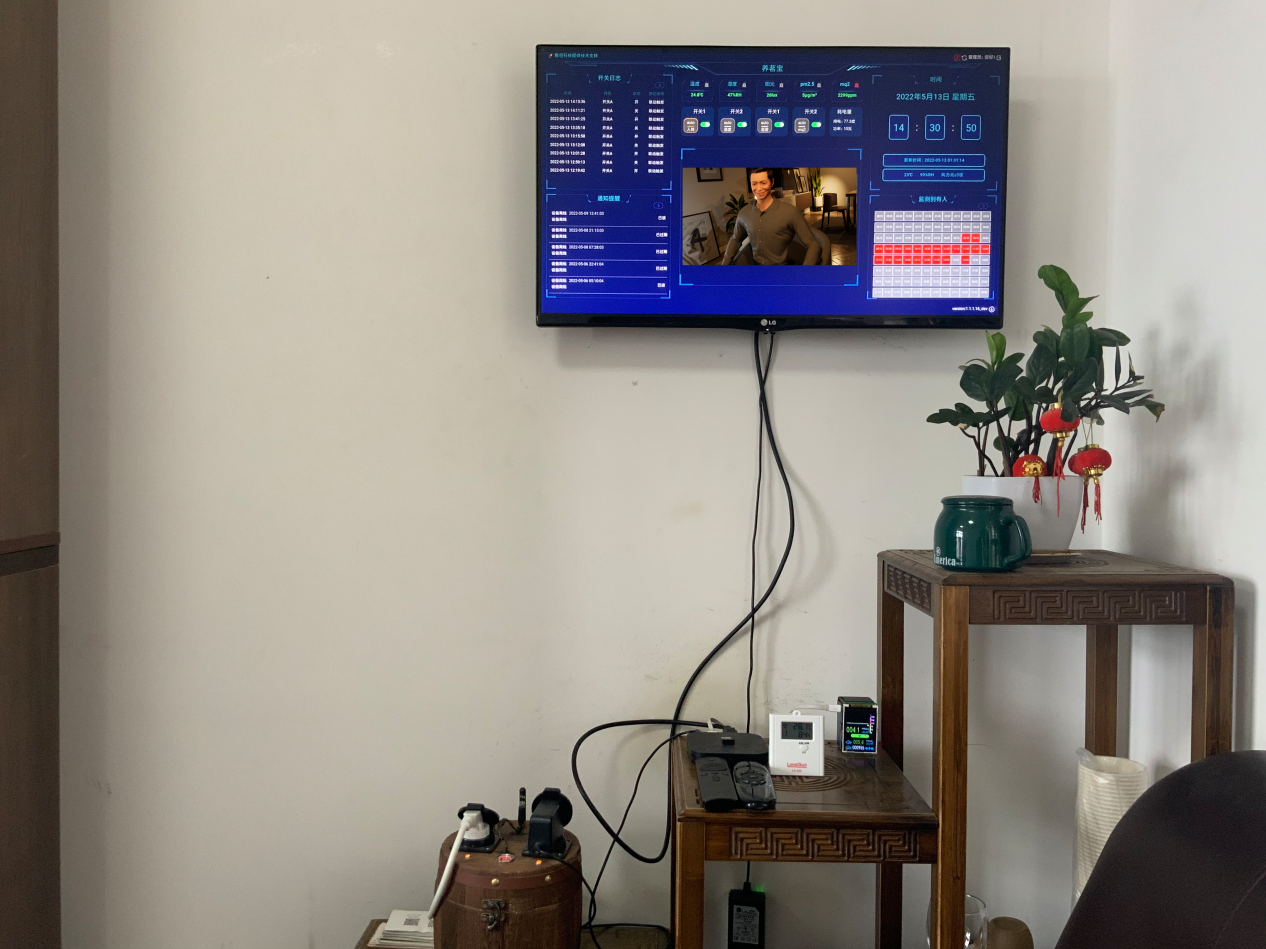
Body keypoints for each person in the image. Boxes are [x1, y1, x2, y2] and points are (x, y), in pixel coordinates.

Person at [721, 168, 820, 265]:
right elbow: (736, 239)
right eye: (754, 184)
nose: (758, 188)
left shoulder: (791, 212)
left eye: (763, 183)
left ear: (772, 182)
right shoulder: (744, 213)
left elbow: (814, 244)